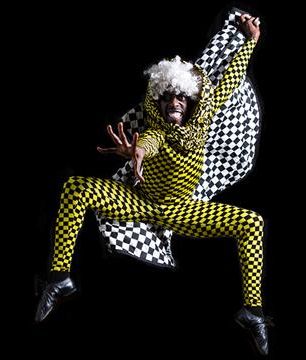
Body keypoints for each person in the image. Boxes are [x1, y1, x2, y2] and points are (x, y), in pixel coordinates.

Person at [35, 13, 272, 356]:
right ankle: (59, 279)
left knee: (252, 223)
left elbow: (231, 78)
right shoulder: (155, 129)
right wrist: (137, 152)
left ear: (191, 101)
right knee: (76, 187)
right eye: (168, 96)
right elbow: (149, 141)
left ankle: (253, 312)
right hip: (140, 202)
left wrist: (251, 40)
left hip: (183, 211)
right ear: (158, 101)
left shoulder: (204, 118)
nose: (174, 101)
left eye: (181, 97)